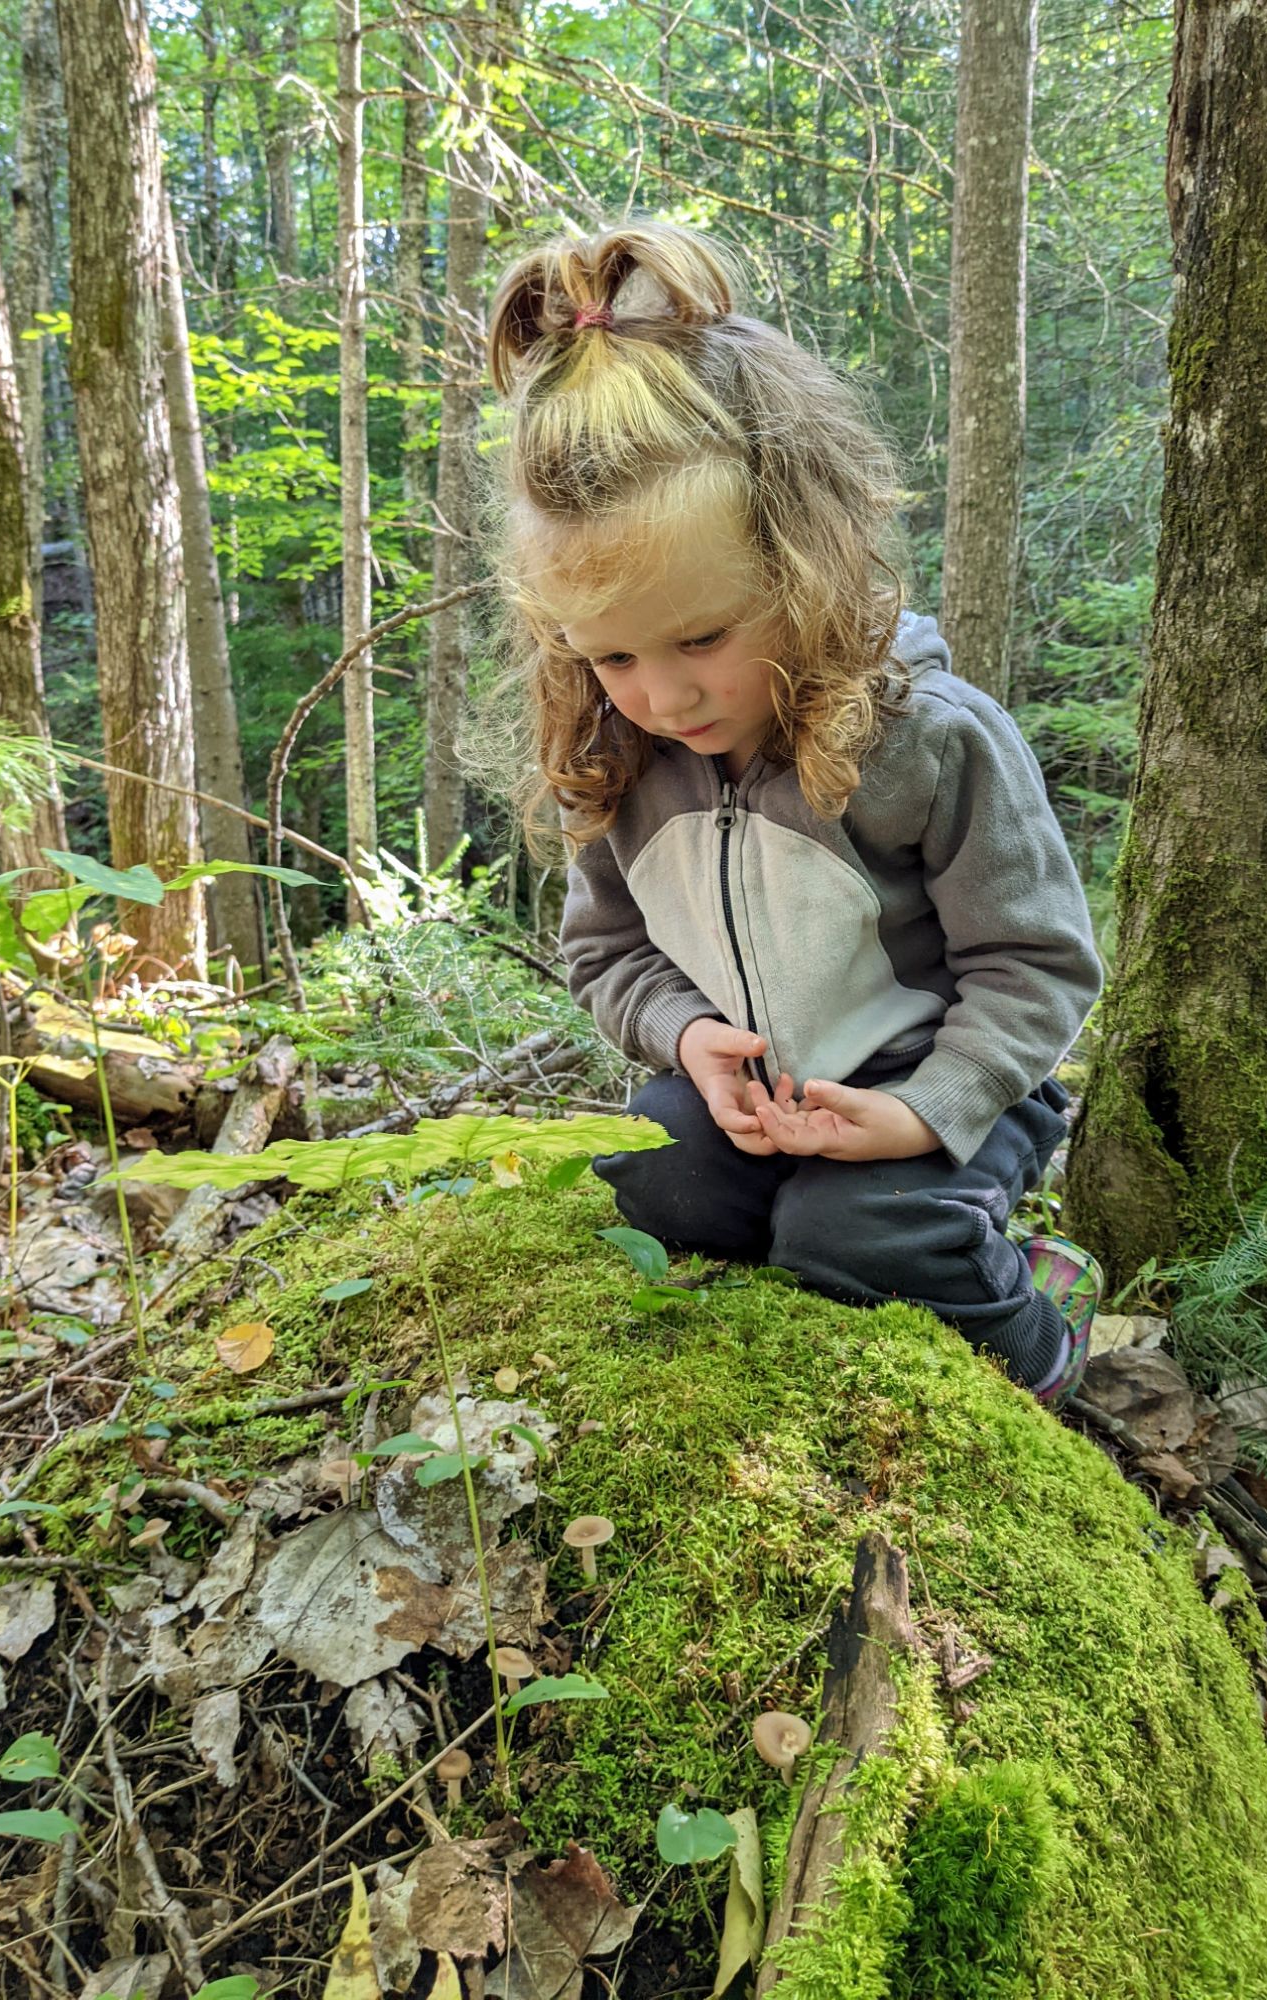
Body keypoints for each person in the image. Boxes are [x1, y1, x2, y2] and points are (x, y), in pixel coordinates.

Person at [474, 218, 1106, 1406]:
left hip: (948, 1079)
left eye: (703, 637)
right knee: (649, 1179)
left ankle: (1044, 1321)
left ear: (805, 565)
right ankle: (813, 1234)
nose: (662, 694)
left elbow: (1041, 966)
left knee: (855, 1239)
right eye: (609, 653)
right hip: (767, 1094)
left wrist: (922, 1111)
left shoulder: (929, 739)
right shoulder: (621, 756)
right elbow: (605, 950)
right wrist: (685, 1040)